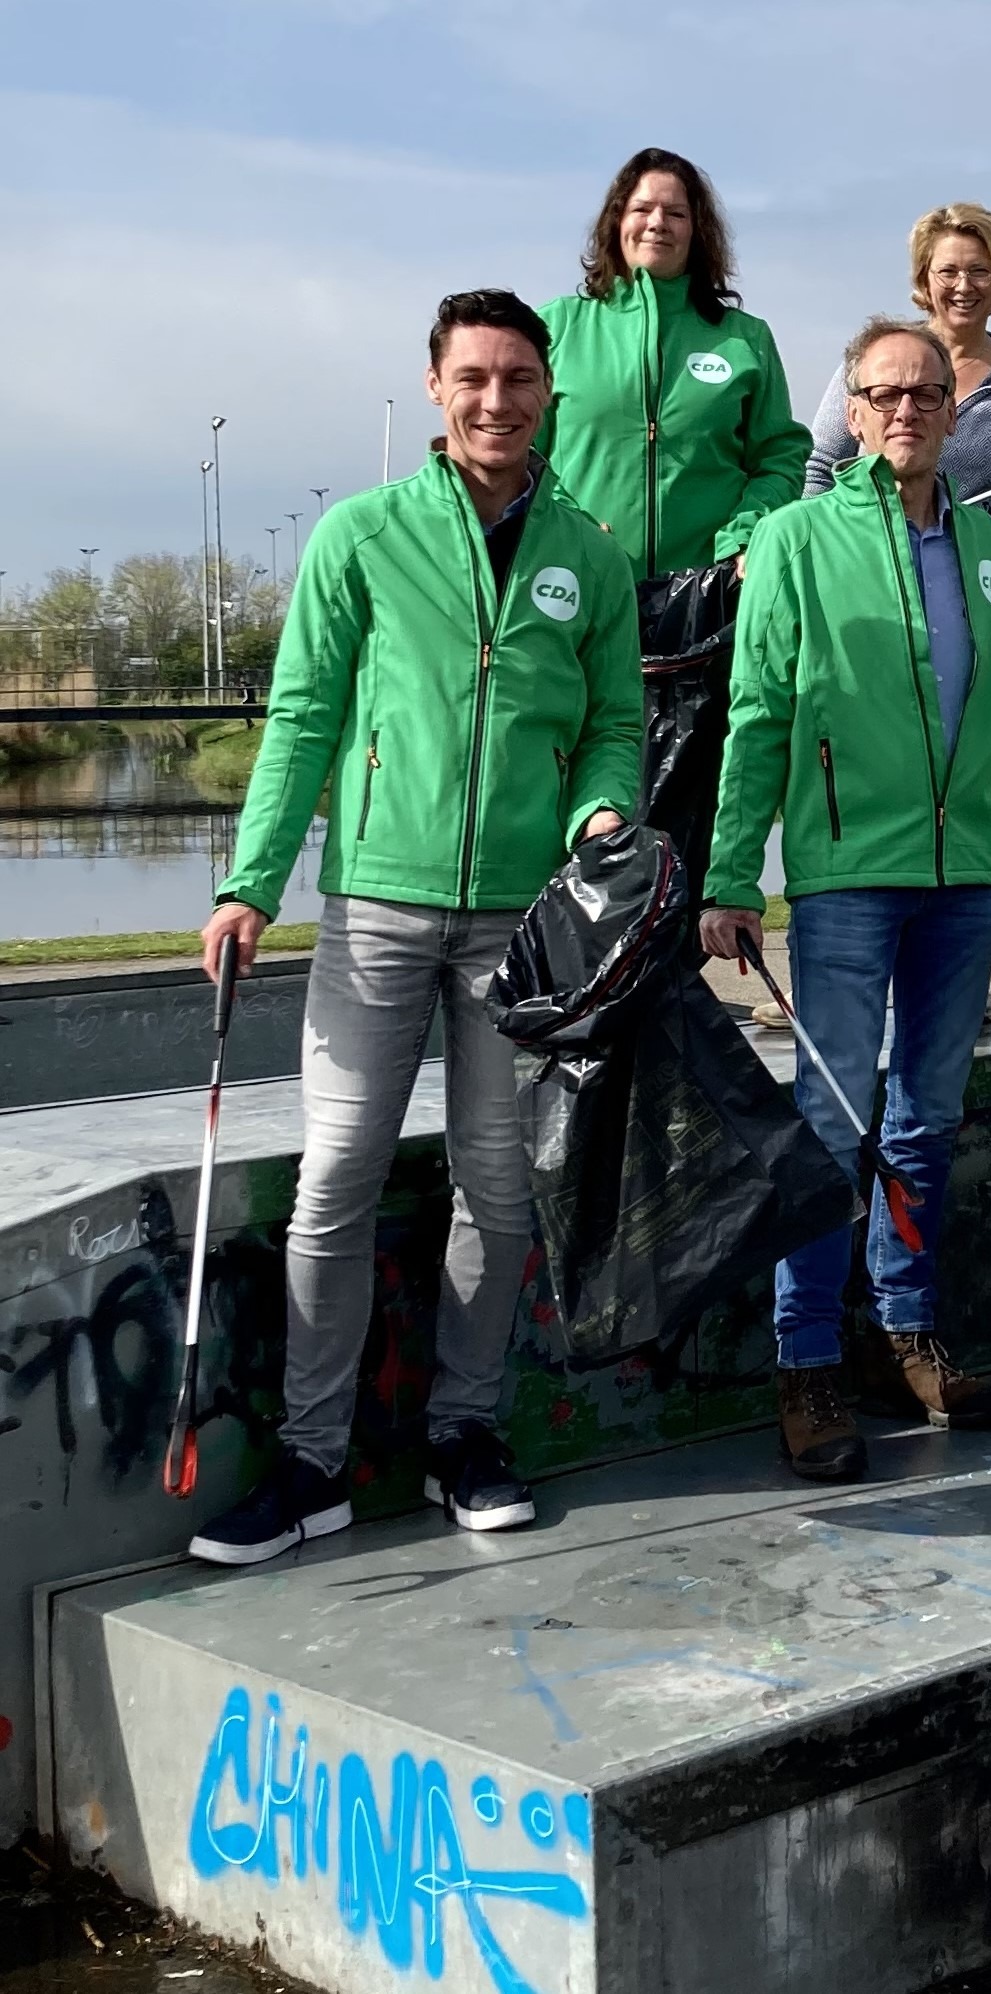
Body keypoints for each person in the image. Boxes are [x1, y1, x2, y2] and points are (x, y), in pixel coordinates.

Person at [188, 290, 644, 1565]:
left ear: (549, 391)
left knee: (499, 1194)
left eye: (518, 378)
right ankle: (313, 1462)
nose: (496, 400)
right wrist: (249, 882)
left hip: (523, 921)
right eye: (472, 379)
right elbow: (303, 718)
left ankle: (464, 1434)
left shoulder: (589, 555)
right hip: (376, 906)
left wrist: (604, 806)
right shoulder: (361, 536)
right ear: (435, 390)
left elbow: (613, 720)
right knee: (333, 1180)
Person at [701, 316, 991, 1483]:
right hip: (845, 879)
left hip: (960, 888)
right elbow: (757, 719)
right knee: (832, 1123)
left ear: (956, 409)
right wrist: (732, 874)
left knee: (926, 1123)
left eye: (927, 393)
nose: (905, 410)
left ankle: (904, 1330)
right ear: (851, 409)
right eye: (883, 393)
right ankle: (805, 1361)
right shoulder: (794, 541)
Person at [536, 147, 809, 579]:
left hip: (711, 591)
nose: (657, 223)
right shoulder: (555, 327)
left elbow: (780, 457)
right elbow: (526, 458)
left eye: (676, 214)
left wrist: (746, 534)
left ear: (698, 231)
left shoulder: (745, 338)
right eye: (642, 208)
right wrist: (572, 524)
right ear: (617, 221)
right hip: (579, 577)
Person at [803, 202, 991, 561]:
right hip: (868, 563)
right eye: (948, 271)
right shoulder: (873, 362)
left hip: (980, 573)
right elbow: (819, 465)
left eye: (980, 271)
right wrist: (813, 546)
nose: (963, 286)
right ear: (925, 278)